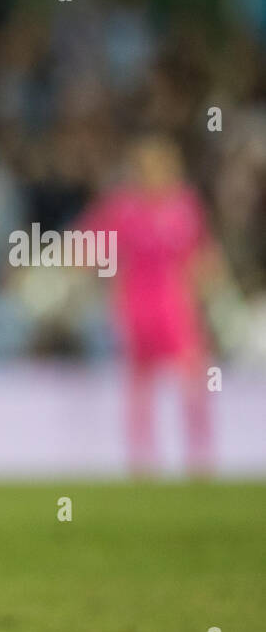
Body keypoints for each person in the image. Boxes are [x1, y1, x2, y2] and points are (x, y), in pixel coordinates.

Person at [77, 135, 217, 475]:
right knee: (140, 383)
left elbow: (204, 256)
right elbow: (86, 246)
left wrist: (205, 280)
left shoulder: (185, 207)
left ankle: (201, 458)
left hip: (174, 304)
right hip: (135, 304)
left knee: (193, 379)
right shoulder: (122, 208)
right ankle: (142, 461)